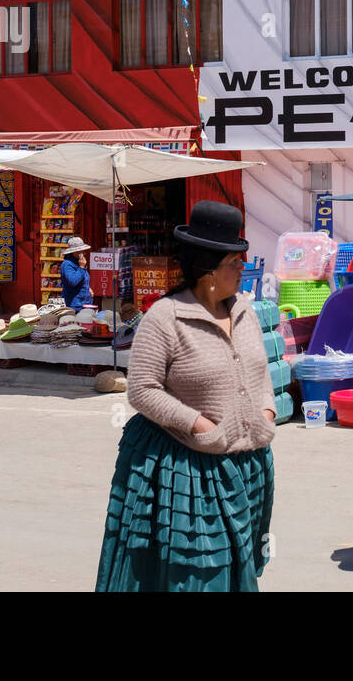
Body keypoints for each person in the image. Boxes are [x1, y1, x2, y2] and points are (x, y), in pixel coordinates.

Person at [95, 201, 277, 592]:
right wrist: (197, 423)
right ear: (208, 270)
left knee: (237, 558)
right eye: (235, 261)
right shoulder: (165, 317)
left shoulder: (244, 310)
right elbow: (142, 389)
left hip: (246, 462)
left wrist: (266, 410)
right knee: (195, 570)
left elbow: (259, 371)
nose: (243, 268)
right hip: (185, 468)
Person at [60, 236, 93, 309]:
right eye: (81, 251)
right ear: (74, 252)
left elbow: (83, 279)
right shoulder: (67, 264)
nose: (83, 253)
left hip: (84, 303)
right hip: (74, 305)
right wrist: (81, 267)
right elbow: (73, 281)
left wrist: (88, 288)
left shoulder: (78, 262)